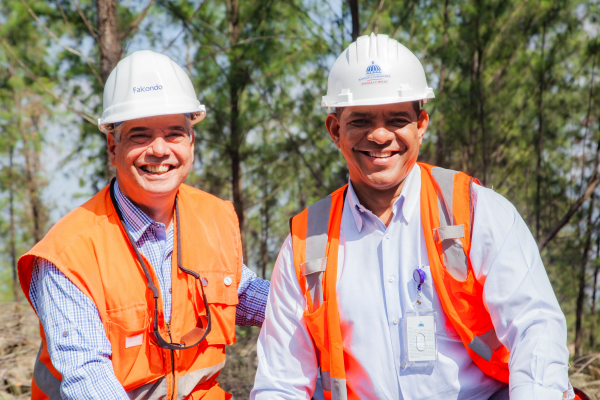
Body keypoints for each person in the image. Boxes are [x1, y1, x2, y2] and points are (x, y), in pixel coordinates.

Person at [251, 33, 576, 400]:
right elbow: (281, 383)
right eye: (360, 120)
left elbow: (535, 325)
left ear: (421, 124)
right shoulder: (305, 244)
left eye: (396, 119)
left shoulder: (473, 210)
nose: (379, 135)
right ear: (335, 130)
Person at [18, 50, 269, 400]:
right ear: (112, 146)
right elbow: (88, 378)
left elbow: (239, 293)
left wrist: (313, 307)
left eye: (174, 133)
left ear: (191, 142)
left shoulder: (212, 216)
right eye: (140, 135)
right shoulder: (69, 255)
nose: (159, 150)